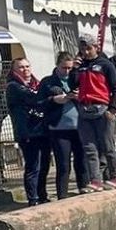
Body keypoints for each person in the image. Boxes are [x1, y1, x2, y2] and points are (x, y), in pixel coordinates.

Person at [74, 34, 116, 191]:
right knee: (90, 147)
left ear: (95, 47)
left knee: (107, 145)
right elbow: (72, 83)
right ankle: (95, 180)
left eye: (88, 48)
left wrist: (112, 109)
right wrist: (75, 69)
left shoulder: (105, 65)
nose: (86, 52)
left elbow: (115, 88)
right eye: (82, 49)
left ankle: (113, 176)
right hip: (84, 109)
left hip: (102, 108)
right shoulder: (80, 66)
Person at [40, 52, 89, 199]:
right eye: (64, 68)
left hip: (79, 126)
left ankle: (84, 190)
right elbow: (40, 103)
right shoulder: (48, 82)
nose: (67, 71)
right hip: (59, 128)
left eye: (69, 68)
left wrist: (79, 95)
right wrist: (55, 99)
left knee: (82, 161)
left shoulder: (76, 79)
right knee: (63, 164)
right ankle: (62, 196)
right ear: (57, 65)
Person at [5, 58, 52, 206]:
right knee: (33, 166)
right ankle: (33, 199)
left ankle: (42, 194)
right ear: (14, 71)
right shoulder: (13, 86)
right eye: (21, 67)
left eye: (27, 66)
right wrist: (52, 96)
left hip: (42, 130)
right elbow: (34, 98)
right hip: (27, 132)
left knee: (44, 165)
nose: (25, 70)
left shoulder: (36, 84)